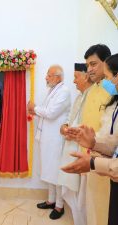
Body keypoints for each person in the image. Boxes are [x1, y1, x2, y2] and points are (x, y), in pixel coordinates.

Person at [62, 53, 118, 225]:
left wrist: (94, 161)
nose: (112, 82)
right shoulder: (100, 95)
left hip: (104, 166)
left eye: (113, 77)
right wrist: (92, 142)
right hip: (96, 158)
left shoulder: (106, 92)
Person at [27, 64, 71, 220]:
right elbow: (46, 113)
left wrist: (35, 108)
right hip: (47, 138)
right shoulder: (53, 90)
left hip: (55, 140)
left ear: (58, 77)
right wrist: (35, 111)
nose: (46, 77)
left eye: (49, 75)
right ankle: (51, 200)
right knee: (49, 171)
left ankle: (59, 206)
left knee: (56, 172)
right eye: (47, 75)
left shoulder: (64, 92)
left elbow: (51, 113)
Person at [76, 44, 111, 225]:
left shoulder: (112, 91)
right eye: (87, 65)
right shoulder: (91, 91)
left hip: (106, 159)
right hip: (88, 156)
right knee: (90, 206)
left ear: (107, 62)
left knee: (103, 208)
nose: (89, 69)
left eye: (94, 64)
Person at [58, 63, 92, 225]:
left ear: (86, 76)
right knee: (72, 194)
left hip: (83, 152)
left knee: (82, 197)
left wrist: (74, 131)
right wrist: (64, 127)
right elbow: (69, 120)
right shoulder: (79, 97)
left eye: (76, 77)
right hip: (70, 150)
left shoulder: (93, 96)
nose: (73, 81)